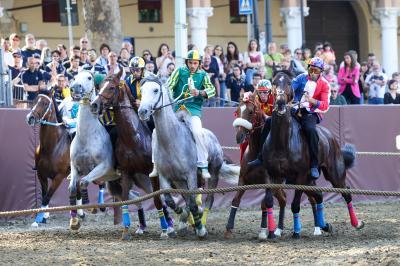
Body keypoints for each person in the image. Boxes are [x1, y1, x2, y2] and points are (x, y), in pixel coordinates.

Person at [149, 50, 216, 179]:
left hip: (193, 110)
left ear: (199, 63)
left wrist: (200, 92)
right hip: (177, 109)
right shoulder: (179, 71)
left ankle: (203, 165)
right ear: (187, 62)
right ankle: (156, 165)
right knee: (155, 132)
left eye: (195, 63)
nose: (192, 65)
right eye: (190, 62)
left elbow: (212, 90)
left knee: (198, 132)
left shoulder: (203, 75)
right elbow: (168, 85)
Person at [291, 57, 330, 179]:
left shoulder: (325, 84)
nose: (313, 73)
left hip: (312, 113)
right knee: (274, 121)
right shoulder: (300, 77)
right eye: (311, 69)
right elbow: (290, 89)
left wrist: (311, 100)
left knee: (310, 129)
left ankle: (314, 164)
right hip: (295, 109)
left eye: (316, 71)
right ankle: (261, 156)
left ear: (321, 72)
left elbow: (325, 106)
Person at [245, 79, 275, 166]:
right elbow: (246, 97)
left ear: (270, 92)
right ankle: (243, 164)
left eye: (265, 92)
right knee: (244, 143)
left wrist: (266, 116)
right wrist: (251, 94)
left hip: (272, 126)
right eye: (260, 92)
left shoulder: (275, 98)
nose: (262, 95)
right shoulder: (256, 98)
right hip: (258, 126)